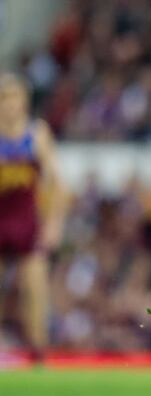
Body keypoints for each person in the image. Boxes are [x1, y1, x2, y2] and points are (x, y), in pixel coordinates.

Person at [0, 73, 66, 364]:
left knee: (34, 290)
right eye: (4, 98)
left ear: (24, 101)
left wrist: (54, 224)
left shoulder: (36, 134)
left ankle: (39, 353)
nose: (9, 105)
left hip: (26, 224)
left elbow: (58, 184)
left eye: (14, 98)